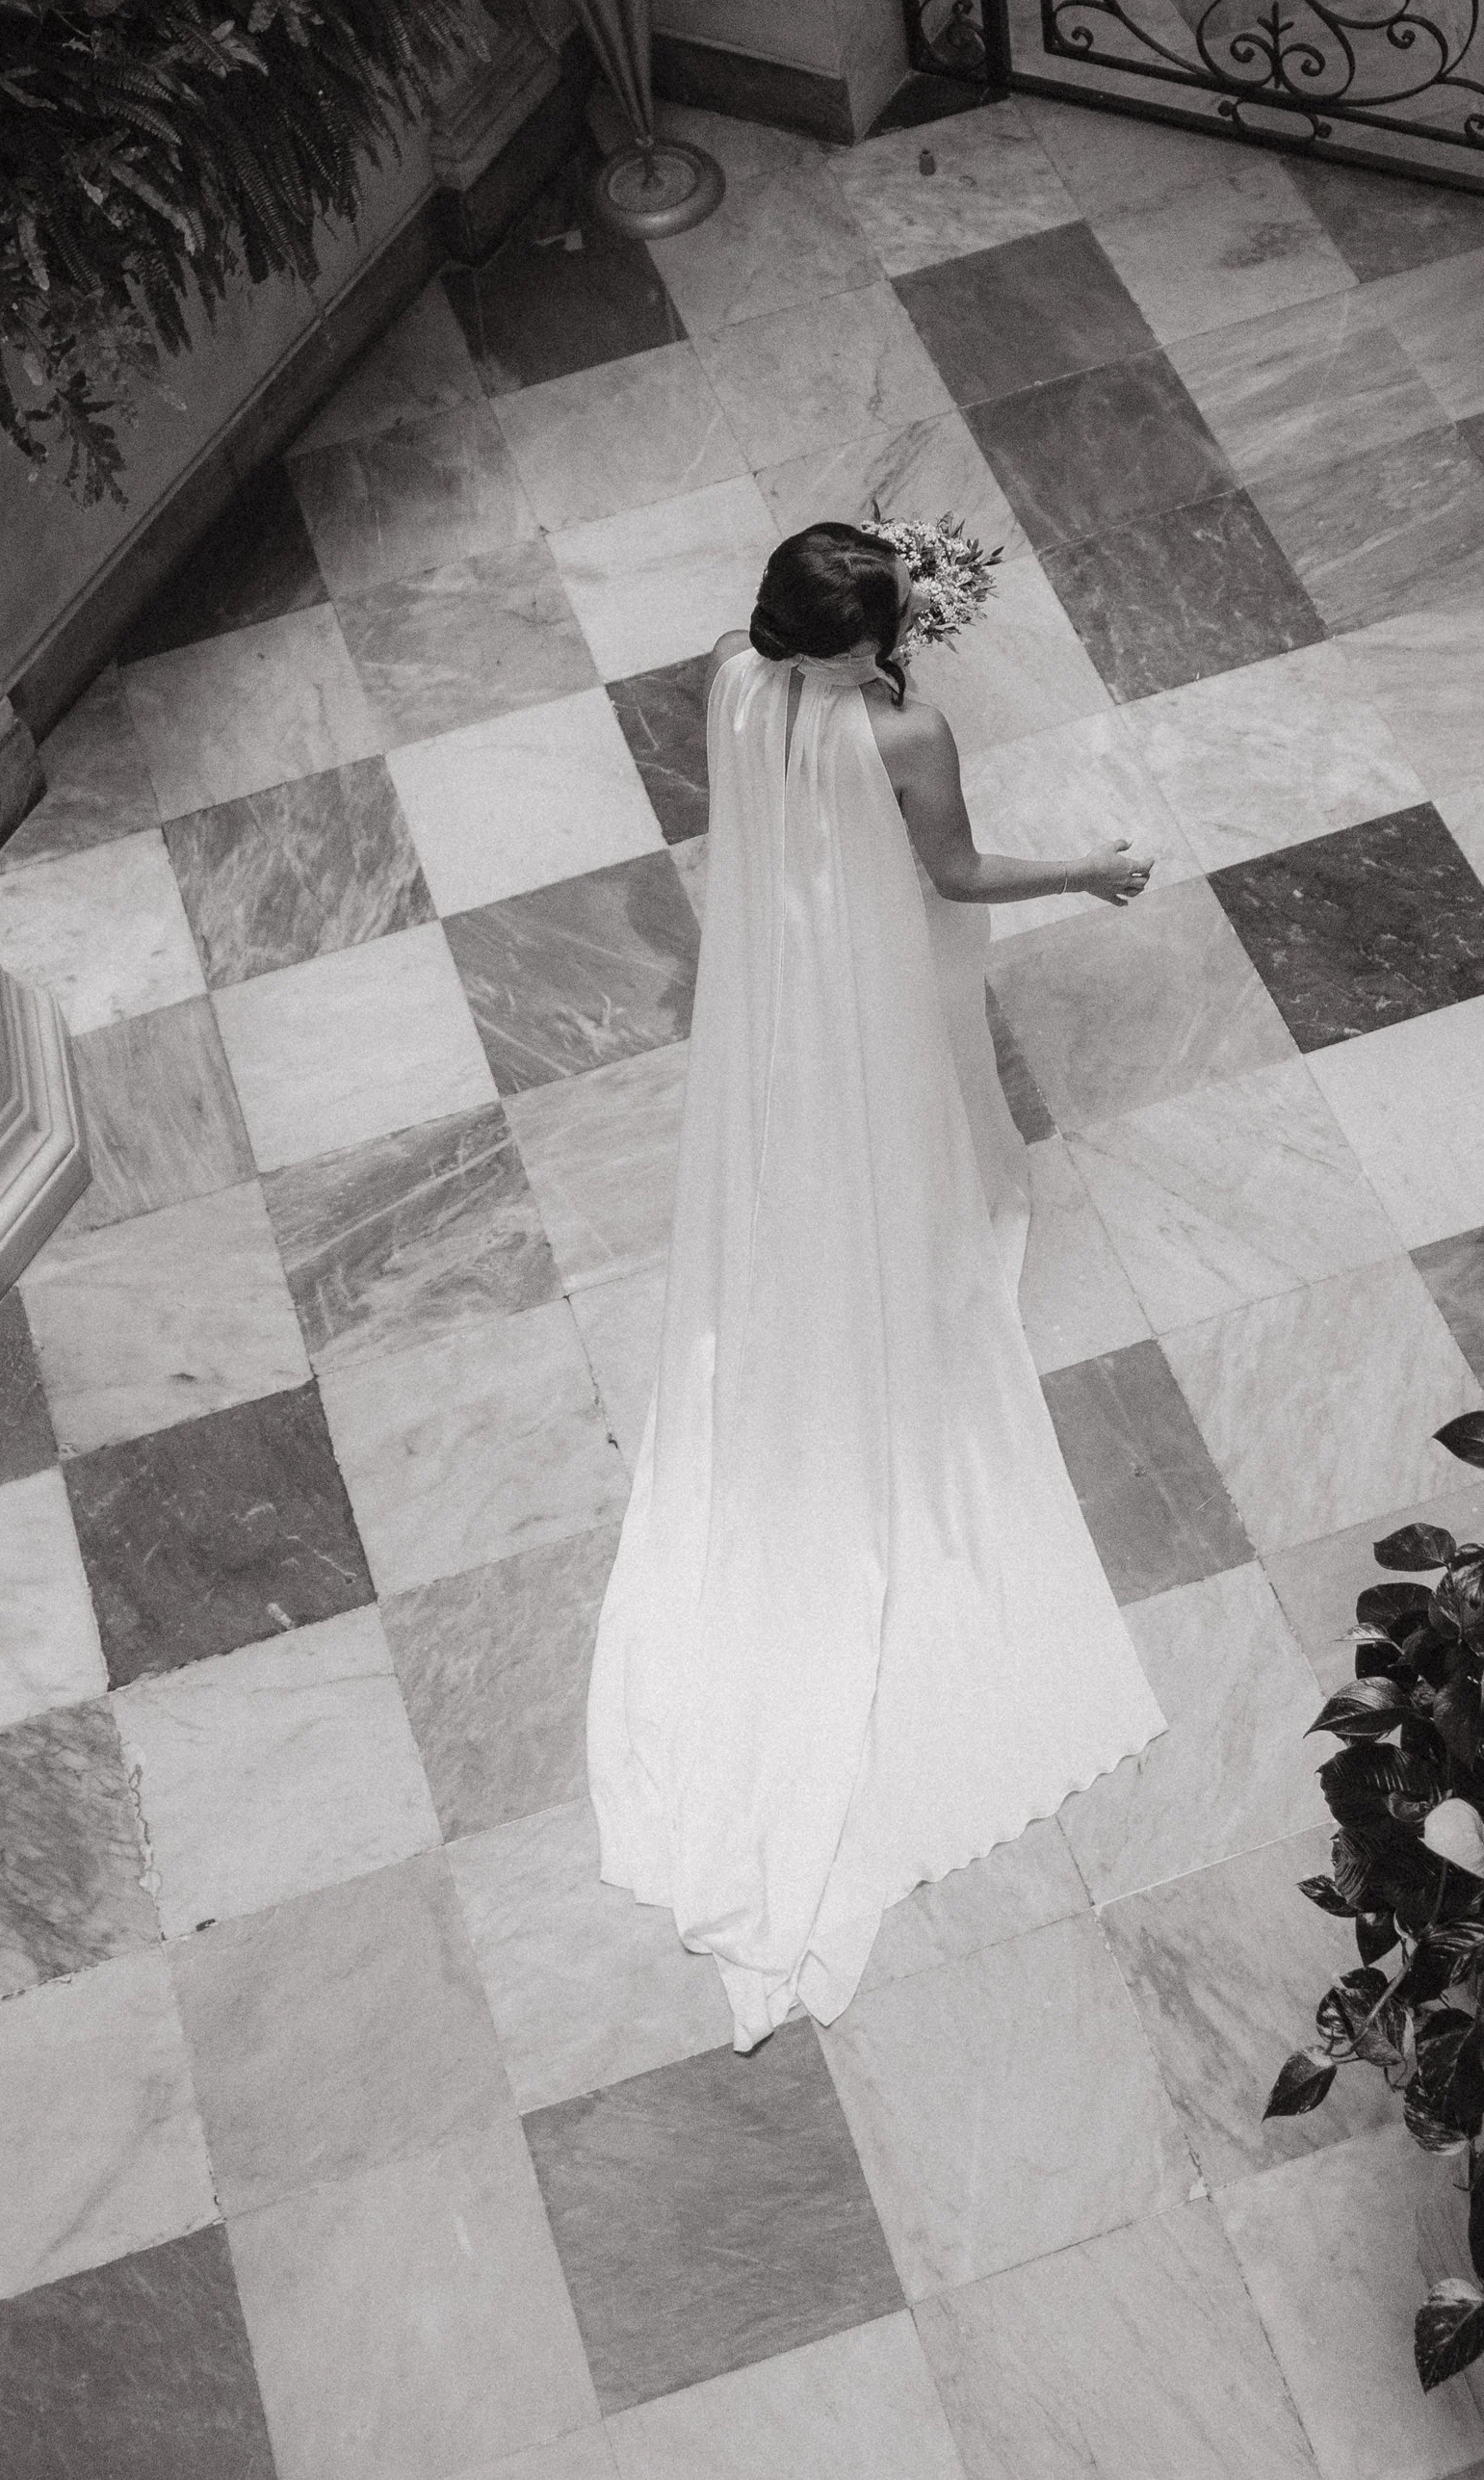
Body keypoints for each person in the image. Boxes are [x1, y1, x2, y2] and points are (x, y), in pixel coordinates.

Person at [586, 518, 1169, 2051]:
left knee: (827, 1143)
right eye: (890, 610)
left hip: (786, 975)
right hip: (880, 962)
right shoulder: (905, 727)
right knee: (920, 1128)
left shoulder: (730, 676)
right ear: (849, 642)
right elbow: (957, 868)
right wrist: (1094, 868)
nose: (905, 624)